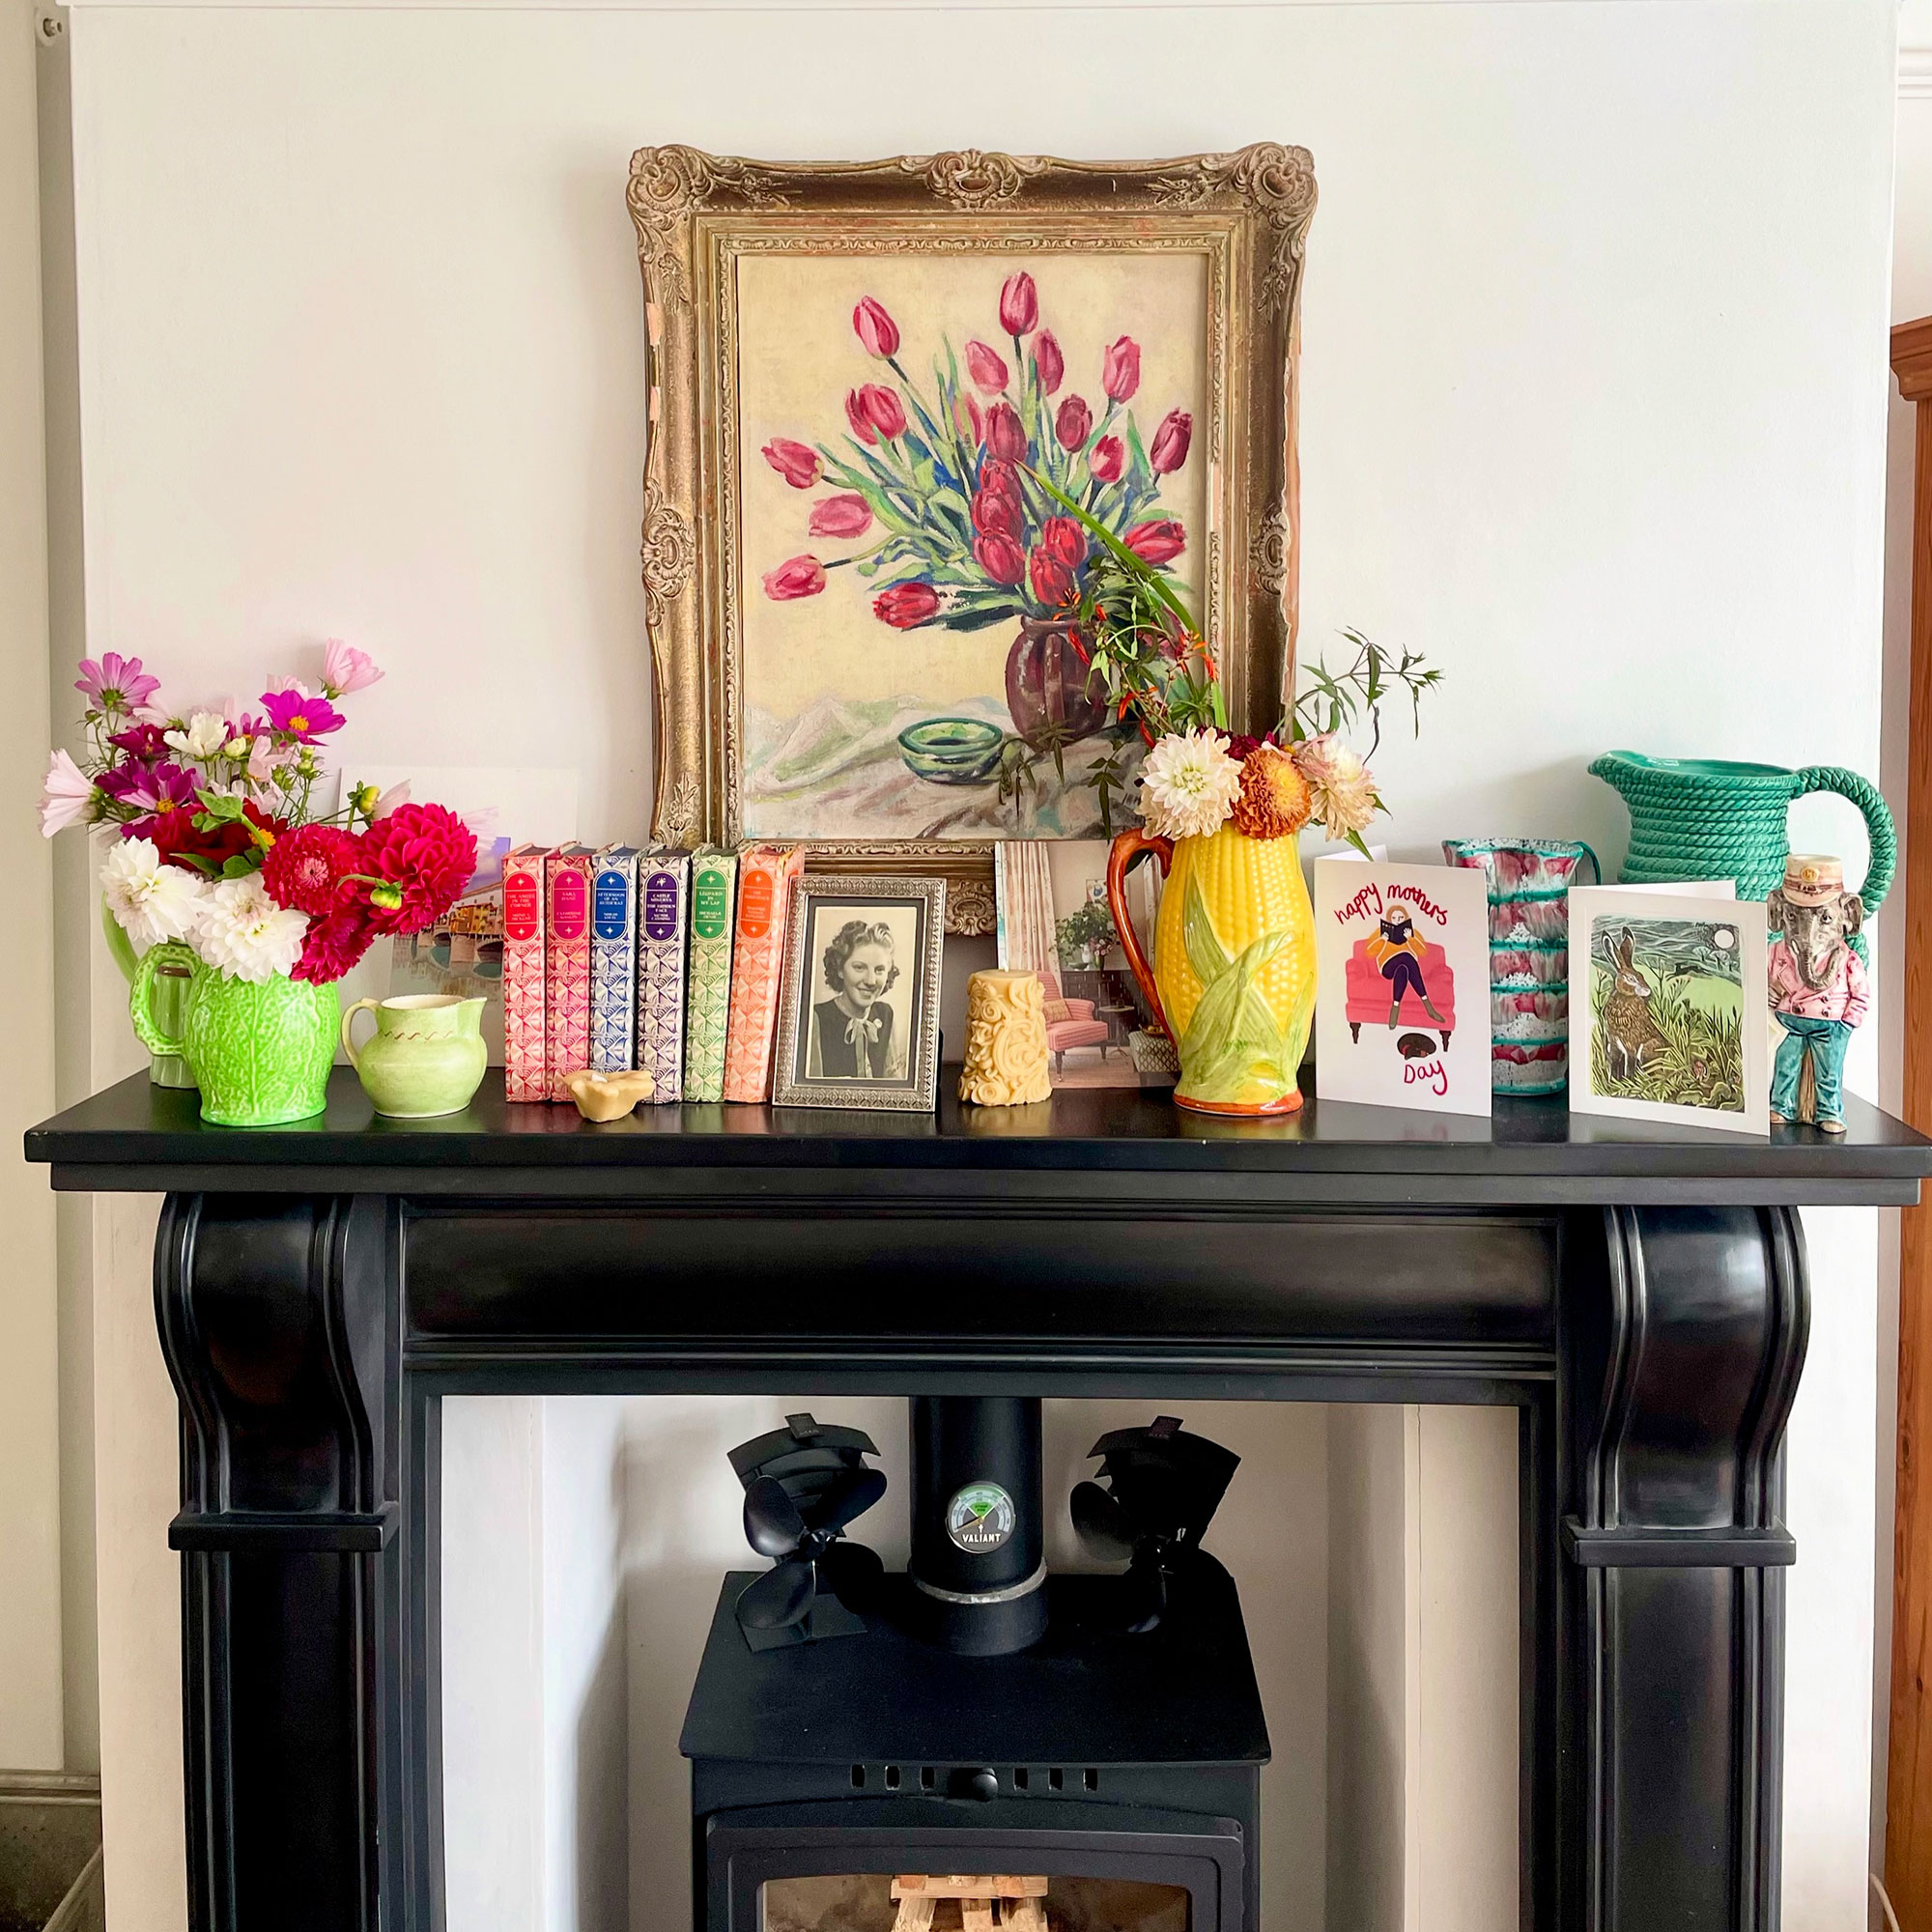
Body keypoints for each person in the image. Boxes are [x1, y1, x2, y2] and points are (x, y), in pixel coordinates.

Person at [808, 918, 905, 1079]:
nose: (871, 981)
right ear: (840, 969)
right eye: (859, 967)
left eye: (879, 970)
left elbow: (894, 1081)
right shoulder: (817, 1018)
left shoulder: (886, 1014)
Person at [1363, 904, 1445, 1029]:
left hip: (1406, 966)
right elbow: (1369, 953)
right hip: (1387, 967)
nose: (1398, 921)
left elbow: (1423, 951)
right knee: (1406, 956)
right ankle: (1428, 1005)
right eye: (1394, 918)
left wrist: (1410, 939)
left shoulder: (1411, 932)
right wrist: (1382, 940)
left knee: (1403, 968)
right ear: (1389, 919)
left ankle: (1395, 1008)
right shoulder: (1381, 932)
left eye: (1401, 918)